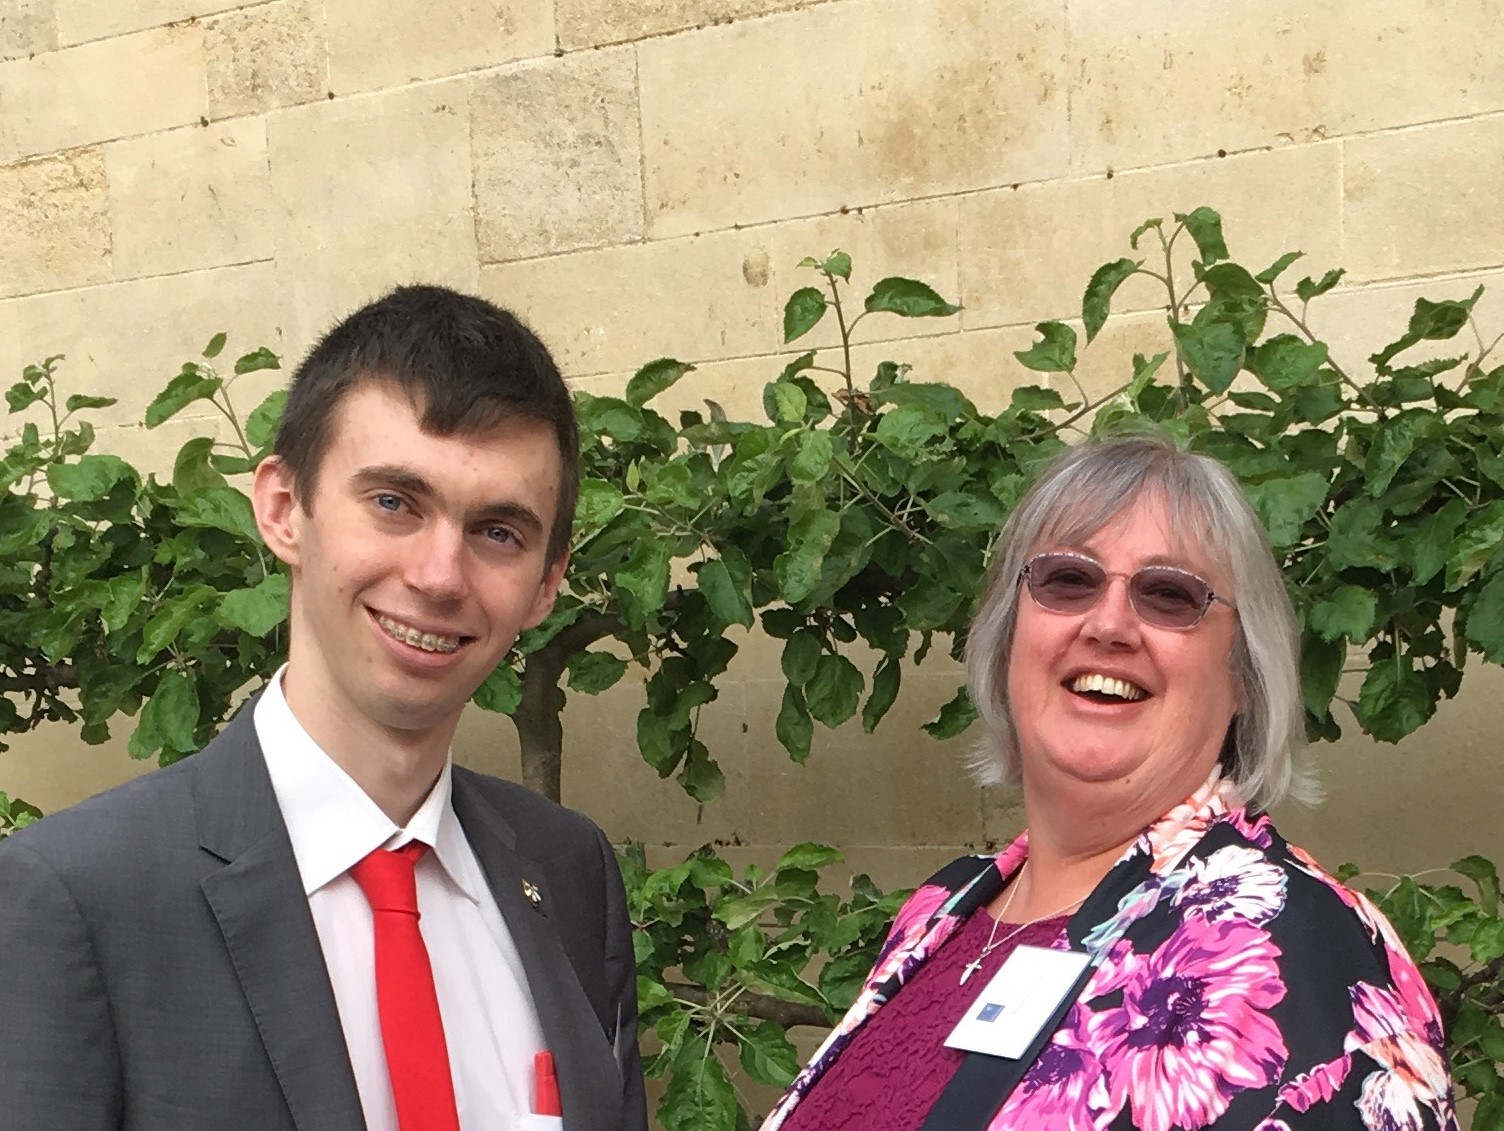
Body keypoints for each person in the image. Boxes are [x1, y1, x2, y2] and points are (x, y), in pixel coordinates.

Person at [0, 285, 647, 1131]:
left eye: (497, 531)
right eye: (393, 502)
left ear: (546, 585)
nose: (439, 575)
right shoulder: (79, 898)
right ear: (282, 509)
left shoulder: (570, 873)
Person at [762, 432, 1456, 1131]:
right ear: (1009, 636)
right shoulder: (943, 909)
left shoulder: (1300, 941)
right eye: (1069, 579)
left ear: (1244, 675)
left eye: (1169, 594)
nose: (1110, 622)